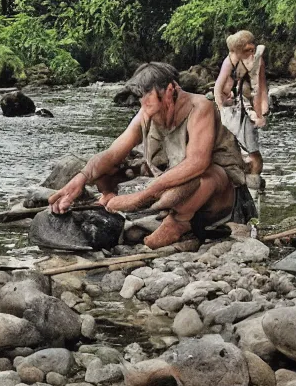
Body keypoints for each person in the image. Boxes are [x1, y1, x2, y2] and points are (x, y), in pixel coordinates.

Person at [48, 62, 250, 249]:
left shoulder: (200, 107)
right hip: (173, 182)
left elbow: (197, 162)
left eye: (148, 98)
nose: (144, 106)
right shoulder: (146, 112)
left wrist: (141, 197)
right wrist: (81, 179)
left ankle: (179, 222)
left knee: (205, 176)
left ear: (170, 91)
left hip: (218, 193)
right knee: (107, 168)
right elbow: (113, 152)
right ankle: (110, 200)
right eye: (140, 99)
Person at [214, 30, 269, 179]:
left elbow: (261, 88)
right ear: (238, 50)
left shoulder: (257, 61)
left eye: (252, 49)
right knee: (230, 146)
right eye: (247, 50)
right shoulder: (230, 60)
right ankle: (238, 177)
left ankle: (255, 179)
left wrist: (262, 113)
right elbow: (218, 88)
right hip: (230, 107)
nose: (251, 53)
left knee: (252, 149)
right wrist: (221, 109)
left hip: (249, 105)